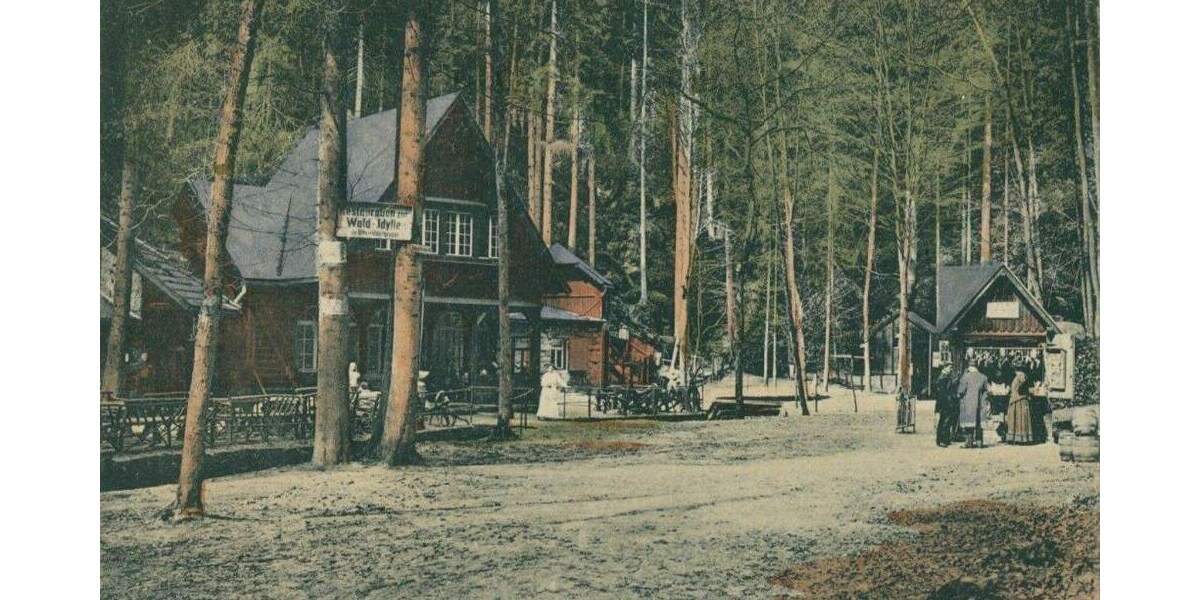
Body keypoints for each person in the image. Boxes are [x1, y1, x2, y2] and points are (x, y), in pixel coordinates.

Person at [957, 360, 990, 448]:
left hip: (968, 404)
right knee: (979, 424)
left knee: (969, 424)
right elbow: (987, 391)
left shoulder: (965, 377)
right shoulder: (983, 377)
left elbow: (961, 391)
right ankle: (979, 442)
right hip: (980, 404)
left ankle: (969, 442)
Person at [1005, 371, 1035, 444]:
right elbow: (1022, 389)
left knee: (1017, 418)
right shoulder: (1021, 377)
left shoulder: (1018, 377)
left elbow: (1020, 389)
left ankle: (1017, 438)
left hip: (1017, 399)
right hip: (1020, 400)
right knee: (1020, 419)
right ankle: (1021, 438)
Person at [934, 365, 959, 447]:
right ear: (944, 368)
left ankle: (943, 439)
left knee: (945, 421)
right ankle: (943, 440)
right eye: (949, 368)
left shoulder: (944, 377)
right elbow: (946, 390)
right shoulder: (943, 378)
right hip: (945, 403)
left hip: (944, 403)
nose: (951, 369)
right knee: (945, 421)